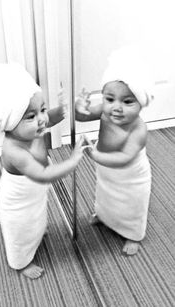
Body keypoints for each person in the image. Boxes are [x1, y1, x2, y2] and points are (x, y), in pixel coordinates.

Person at [0, 62, 85, 279]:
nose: (42, 118)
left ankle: (36, 236)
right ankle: (20, 263)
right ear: (8, 123)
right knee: (20, 236)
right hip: (16, 206)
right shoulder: (15, 150)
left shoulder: (30, 131)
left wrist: (67, 106)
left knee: (38, 220)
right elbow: (43, 174)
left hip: (34, 196)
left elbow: (52, 118)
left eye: (41, 109)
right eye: (31, 116)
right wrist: (74, 158)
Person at [75, 48, 154, 256]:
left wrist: (95, 156)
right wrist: (80, 106)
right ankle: (104, 216)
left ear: (141, 103)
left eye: (127, 102)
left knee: (130, 206)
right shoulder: (104, 110)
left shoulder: (138, 129)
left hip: (130, 177)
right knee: (105, 196)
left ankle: (133, 234)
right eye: (110, 99)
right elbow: (82, 117)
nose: (116, 108)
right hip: (107, 170)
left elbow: (124, 157)